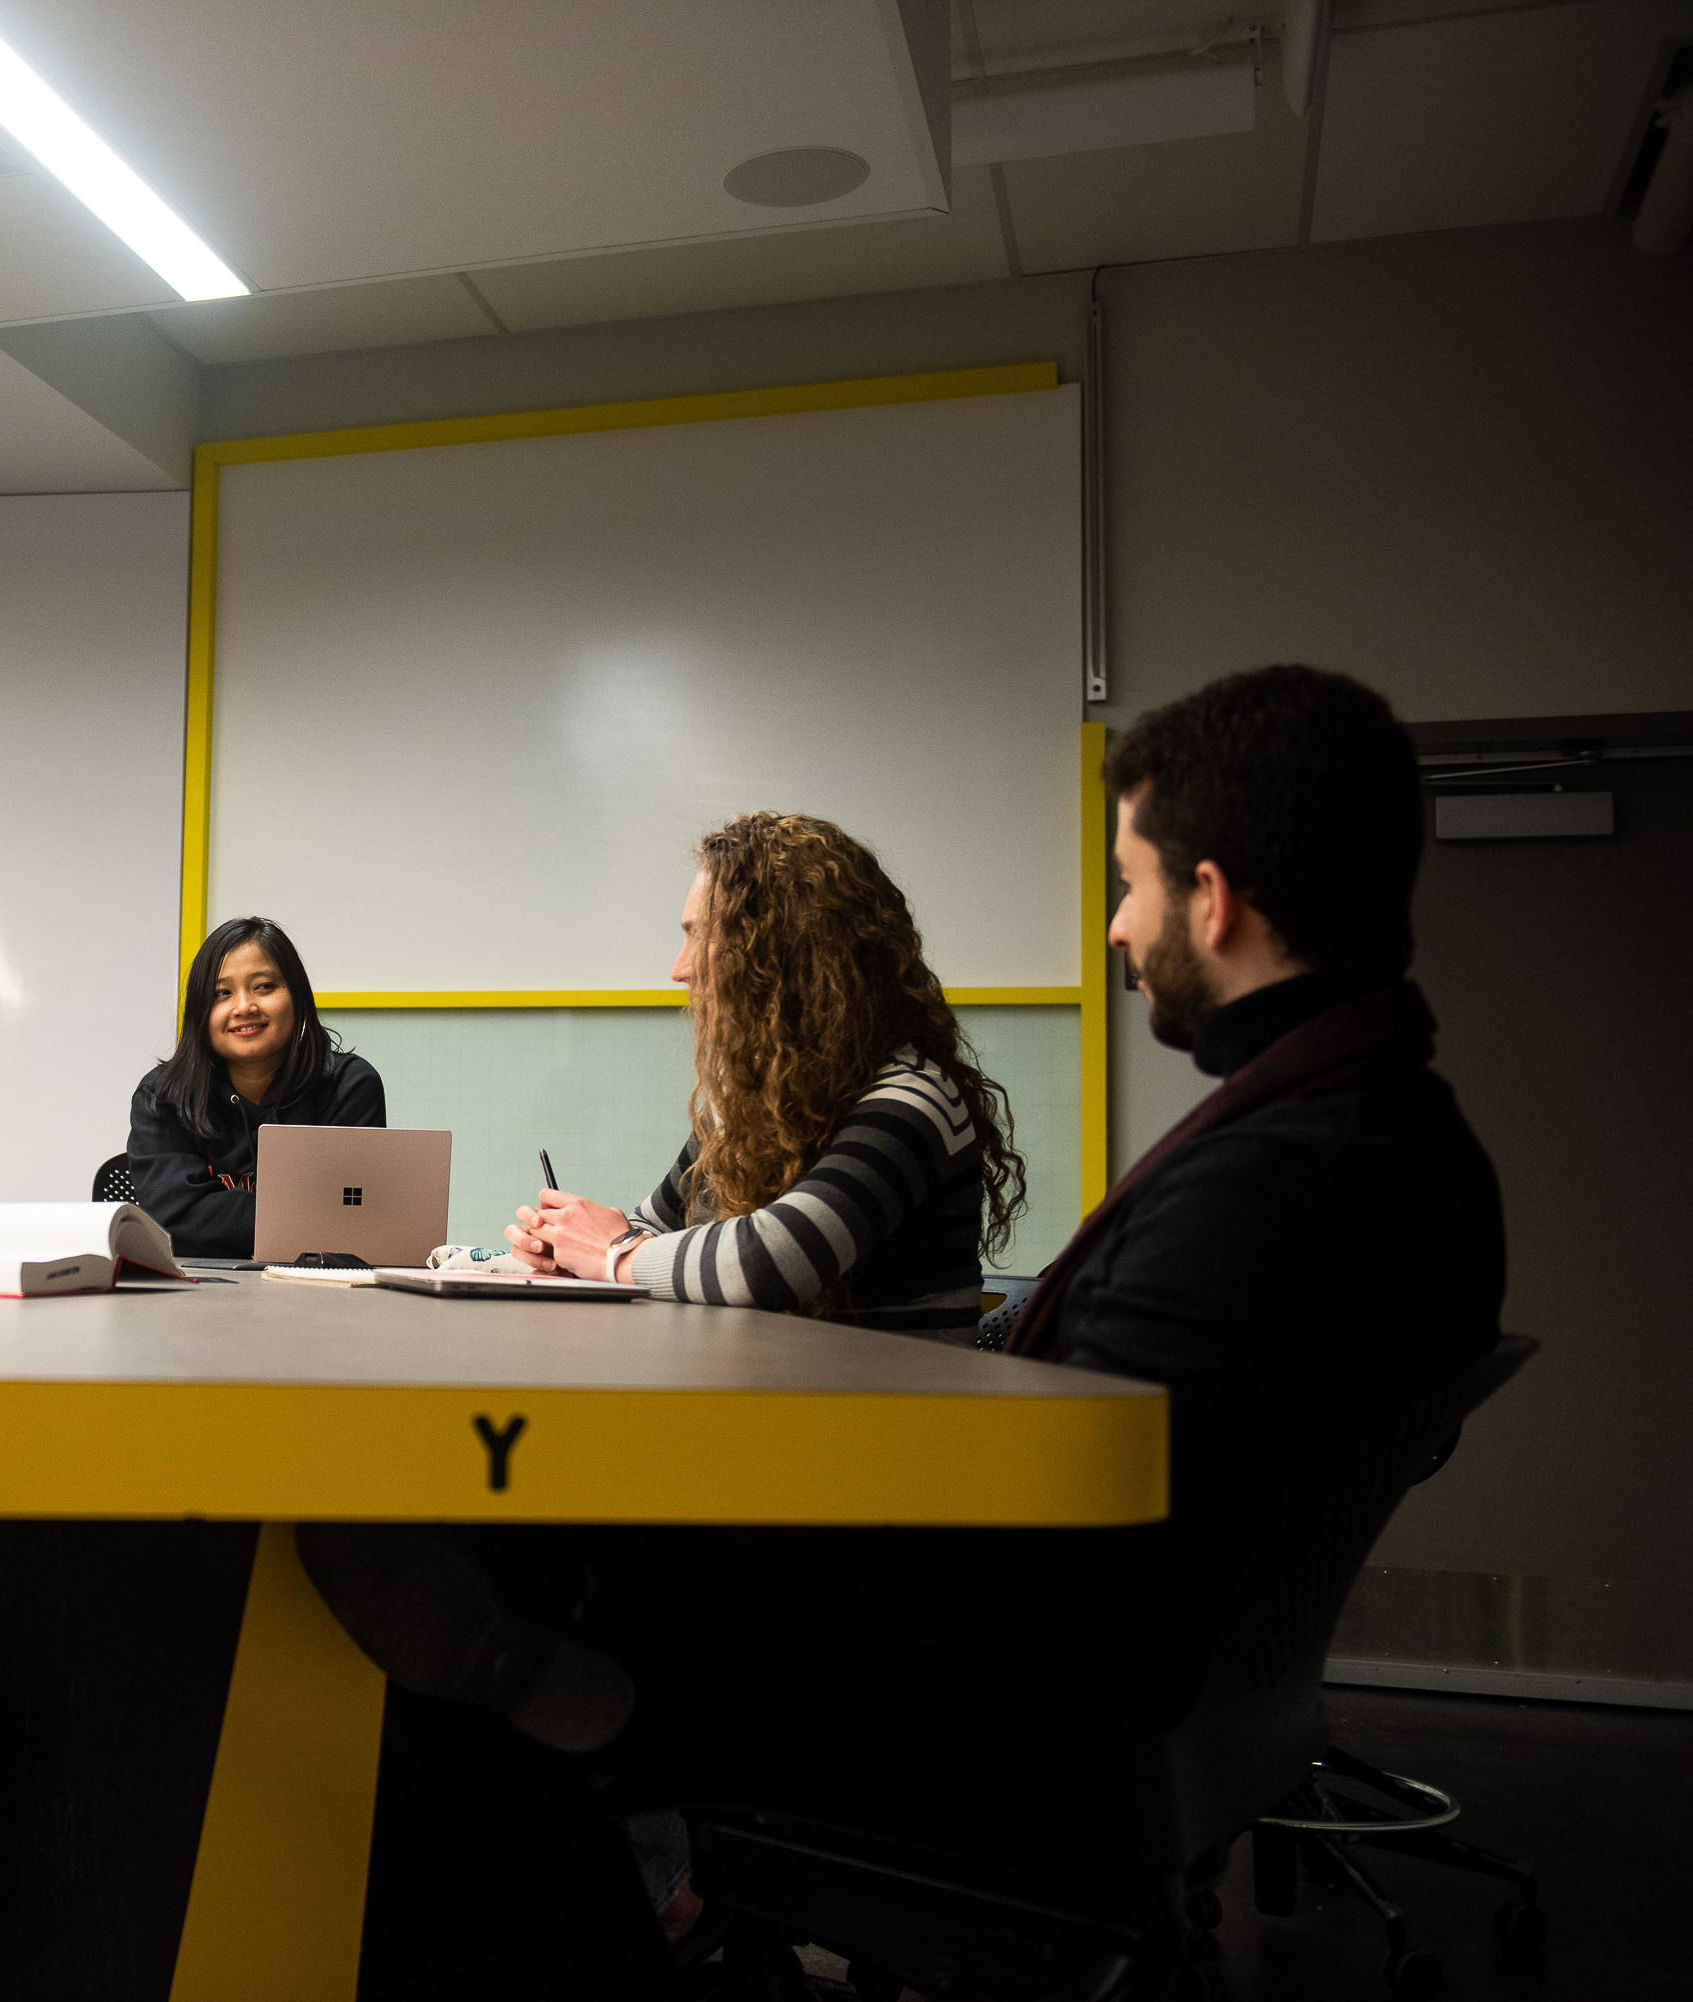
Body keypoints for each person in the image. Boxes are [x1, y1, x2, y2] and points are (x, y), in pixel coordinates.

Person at [304, 668, 1507, 1997]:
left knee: (482, 1613)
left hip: (1009, 1718)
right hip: (1091, 1682)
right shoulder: (1374, 1143)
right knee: (502, 1582)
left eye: (1130, 885)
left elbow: (1039, 1523)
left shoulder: (1295, 1177)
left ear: (1211, 901)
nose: (1115, 929)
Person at [505, 811, 1024, 1337]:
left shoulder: (914, 1099)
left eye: (698, 936)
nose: (678, 969)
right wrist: (576, 1245)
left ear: (780, 954)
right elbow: (650, 1226)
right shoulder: (752, 1104)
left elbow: (773, 1260)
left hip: (885, 1411)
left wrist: (613, 1255)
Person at [126, 916, 384, 1258]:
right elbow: (172, 1219)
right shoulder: (163, 1097)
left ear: (296, 995)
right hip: (199, 1293)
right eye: (222, 993)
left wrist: (217, 1212)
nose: (244, 1007)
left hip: (317, 1293)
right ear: (200, 1011)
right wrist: (303, 1215)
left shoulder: (348, 1085)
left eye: (264, 987)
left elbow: (354, 1219)